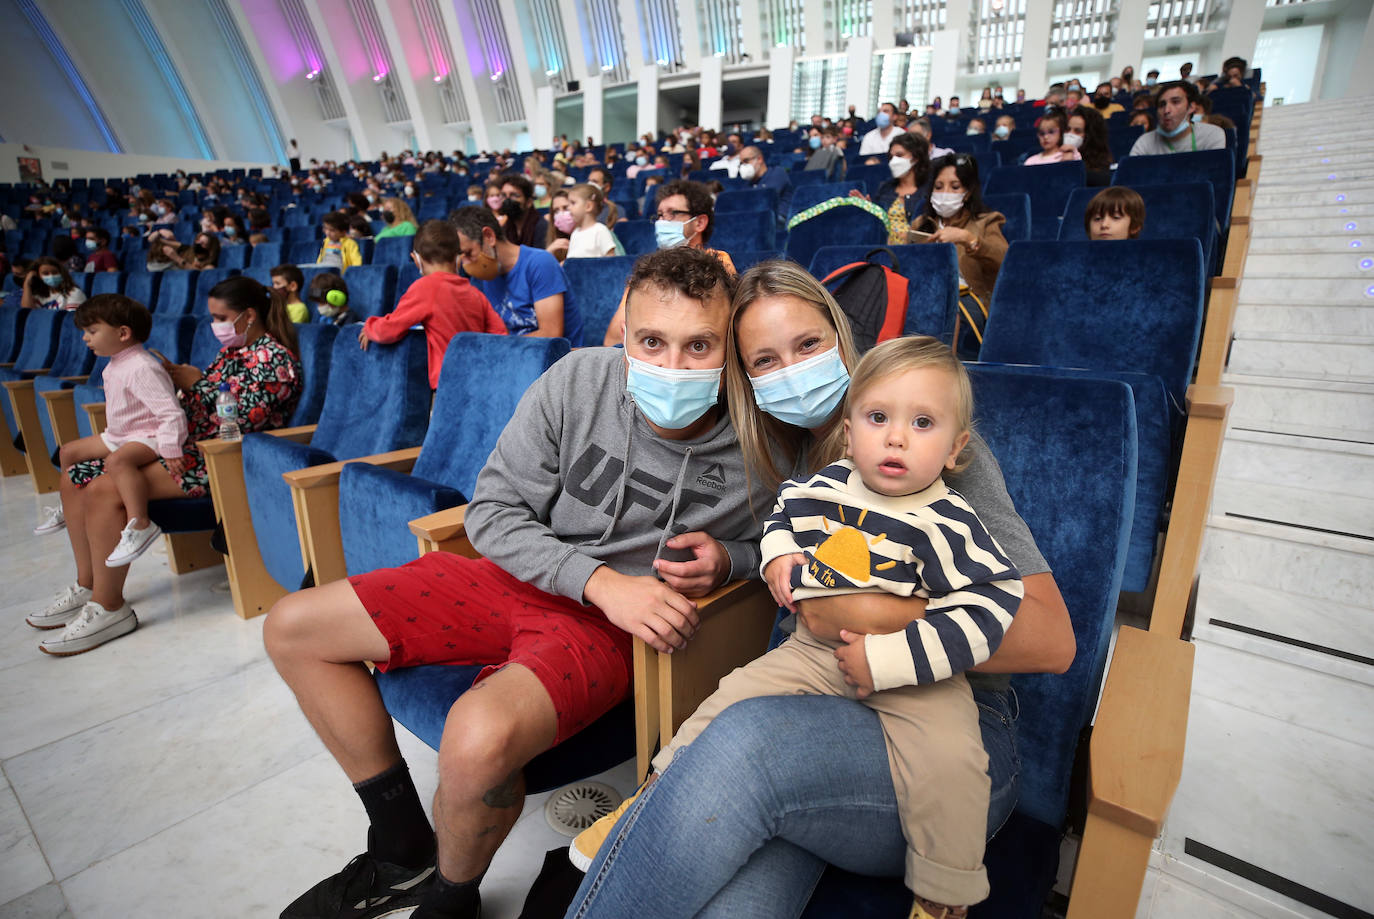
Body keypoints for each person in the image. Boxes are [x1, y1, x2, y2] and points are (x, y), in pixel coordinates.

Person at [263, 245, 775, 919]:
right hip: (520, 574)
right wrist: (595, 578)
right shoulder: (577, 379)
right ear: (624, 329)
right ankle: (400, 846)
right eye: (651, 340)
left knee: (475, 738)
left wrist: (731, 560)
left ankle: (451, 894)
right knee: (292, 626)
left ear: (730, 344)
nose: (671, 367)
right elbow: (494, 511)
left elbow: (792, 537)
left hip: (609, 628)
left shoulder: (766, 429)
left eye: (698, 345)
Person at [561, 261, 1075, 919]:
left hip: (948, 732)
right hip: (820, 713)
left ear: (840, 336)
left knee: (744, 742)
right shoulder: (796, 454)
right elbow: (795, 546)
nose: (792, 371)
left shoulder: (917, 445)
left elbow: (1052, 638)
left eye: (807, 346)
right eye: (766, 361)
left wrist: (869, 614)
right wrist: (736, 559)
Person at [28, 277, 301, 654]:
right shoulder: (232, 353)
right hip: (188, 448)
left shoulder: (276, 359)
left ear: (249, 315)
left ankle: (109, 607)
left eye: (221, 317)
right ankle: (87, 583)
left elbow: (247, 421)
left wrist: (199, 384)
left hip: (222, 459)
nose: (215, 326)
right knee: (76, 476)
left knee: (104, 488)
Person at [34, 295, 188, 573]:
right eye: (84, 332)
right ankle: (65, 505)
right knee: (69, 451)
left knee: (117, 462)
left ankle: (140, 523)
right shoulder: (115, 362)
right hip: (120, 434)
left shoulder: (142, 366)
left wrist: (170, 448)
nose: (85, 338)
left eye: (92, 331)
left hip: (148, 435)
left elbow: (170, 413)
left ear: (123, 333)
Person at [359, 220, 507, 389]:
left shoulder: (424, 288)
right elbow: (500, 333)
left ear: (416, 259)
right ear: (458, 257)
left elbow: (389, 329)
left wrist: (370, 327)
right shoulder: (476, 293)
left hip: (448, 381)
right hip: (480, 377)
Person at [600, 180, 736, 347]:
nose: (662, 222)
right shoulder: (649, 269)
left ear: (699, 223)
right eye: (660, 215)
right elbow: (613, 339)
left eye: (673, 213)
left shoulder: (719, 261)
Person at [450, 205, 581, 345]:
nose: (466, 264)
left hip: (554, 360)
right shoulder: (483, 276)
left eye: (469, 253)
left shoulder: (540, 263)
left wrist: (496, 346)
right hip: (510, 357)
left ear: (489, 237)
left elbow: (551, 334)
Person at [910, 154, 1007, 303]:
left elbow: (1004, 260)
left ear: (967, 193)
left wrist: (968, 239)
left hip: (969, 300)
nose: (945, 193)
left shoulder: (987, 221)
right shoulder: (921, 223)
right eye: (938, 187)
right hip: (925, 295)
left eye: (955, 187)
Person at [852, 133, 930, 246]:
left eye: (899, 155)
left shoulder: (928, 190)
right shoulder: (885, 188)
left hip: (913, 249)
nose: (894, 161)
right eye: (891, 157)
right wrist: (870, 208)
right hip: (883, 247)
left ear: (916, 158)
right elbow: (879, 223)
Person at [1130, 81, 1226, 155]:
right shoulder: (1144, 141)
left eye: (1176, 102)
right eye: (1162, 105)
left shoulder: (1212, 134)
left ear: (1191, 107)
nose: (1166, 110)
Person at [737, 146, 793, 228]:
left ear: (759, 159)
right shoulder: (747, 185)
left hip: (778, 220)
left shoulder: (777, 172)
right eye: (741, 163)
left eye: (746, 161)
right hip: (756, 220)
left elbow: (765, 198)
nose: (743, 166)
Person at [565, 184, 618, 259]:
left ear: (588, 206)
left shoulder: (600, 230)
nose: (568, 208)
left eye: (573, 203)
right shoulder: (575, 232)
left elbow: (611, 259)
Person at [1067, 105, 1113, 186]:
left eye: (1077, 131)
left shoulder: (1099, 174)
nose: (1070, 134)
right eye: (1068, 129)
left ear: (1091, 135)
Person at [21, 257, 86, 310]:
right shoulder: (38, 296)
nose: (51, 276)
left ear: (61, 273)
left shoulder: (74, 293)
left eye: (55, 272)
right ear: (38, 276)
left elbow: (72, 320)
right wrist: (27, 284)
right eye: (45, 273)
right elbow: (27, 311)